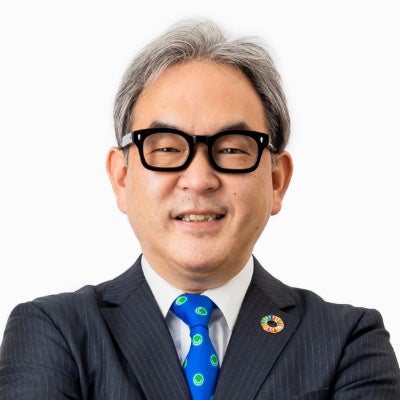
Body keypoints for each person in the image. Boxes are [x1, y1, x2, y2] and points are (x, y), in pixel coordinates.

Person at [0, 19, 399, 400]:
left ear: (277, 180)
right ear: (121, 178)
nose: (199, 179)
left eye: (232, 148)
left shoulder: (347, 341)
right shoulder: (54, 332)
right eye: (166, 147)